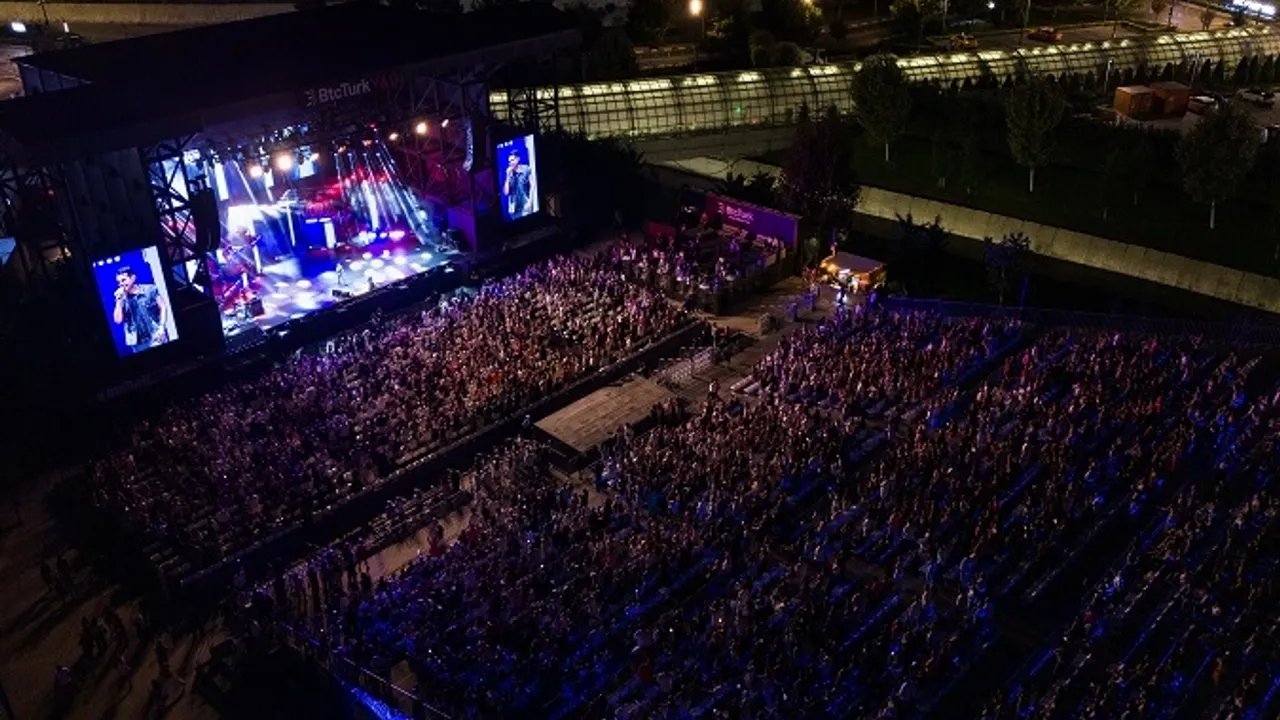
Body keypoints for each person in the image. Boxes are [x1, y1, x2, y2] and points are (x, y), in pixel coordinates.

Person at [112, 265, 168, 353]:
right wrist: (119, 301)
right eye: (119, 282)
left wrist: (161, 327)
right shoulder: (121, 299)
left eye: (123, 280)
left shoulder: (150, 289)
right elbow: (118, 320)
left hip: (155, 335)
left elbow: (163, 307)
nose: (121, 284)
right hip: (137, 343)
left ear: (133, 278)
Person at [502, 148, 534, 220]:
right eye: (509, 161)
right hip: (514, 209)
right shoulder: (509, 174)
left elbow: (532, 186)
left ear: (518, 159)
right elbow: (506, 192)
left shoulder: (526, 169)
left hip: (525, 206)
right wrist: (507, 177)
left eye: (512, 160)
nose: (511, 163)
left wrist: (530, 201)